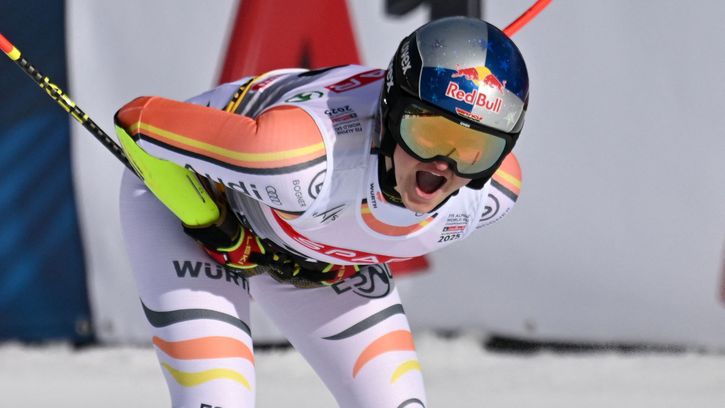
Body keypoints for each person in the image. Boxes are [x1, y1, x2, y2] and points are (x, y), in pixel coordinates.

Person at [115, 16, 528, 408]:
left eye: (474, 151)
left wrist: (331, 258)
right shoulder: (296, 159)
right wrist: (214, 224)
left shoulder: (491, 194)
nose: (443, 165)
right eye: (428, 134)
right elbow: (138, 122)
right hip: (189, 194)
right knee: (219, 398)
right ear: (390, 113)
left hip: (311, 248)